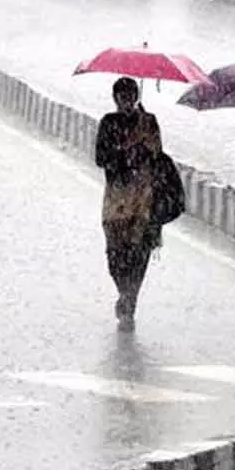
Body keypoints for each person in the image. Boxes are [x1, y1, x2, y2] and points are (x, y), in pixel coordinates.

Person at [95, 77, 163, 331]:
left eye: (130, 97)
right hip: (116, 196)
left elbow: (158, 157)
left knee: (139, 250)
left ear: (135, 97)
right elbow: (101, 158)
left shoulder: (149, 122)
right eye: (122, 98)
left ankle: (131, 296)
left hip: (143, 198)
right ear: (115, 99)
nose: (126, 102)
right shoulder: (108, 123)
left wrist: (145, 142)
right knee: (115, 252)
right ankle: (124, 290)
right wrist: (125, 150)